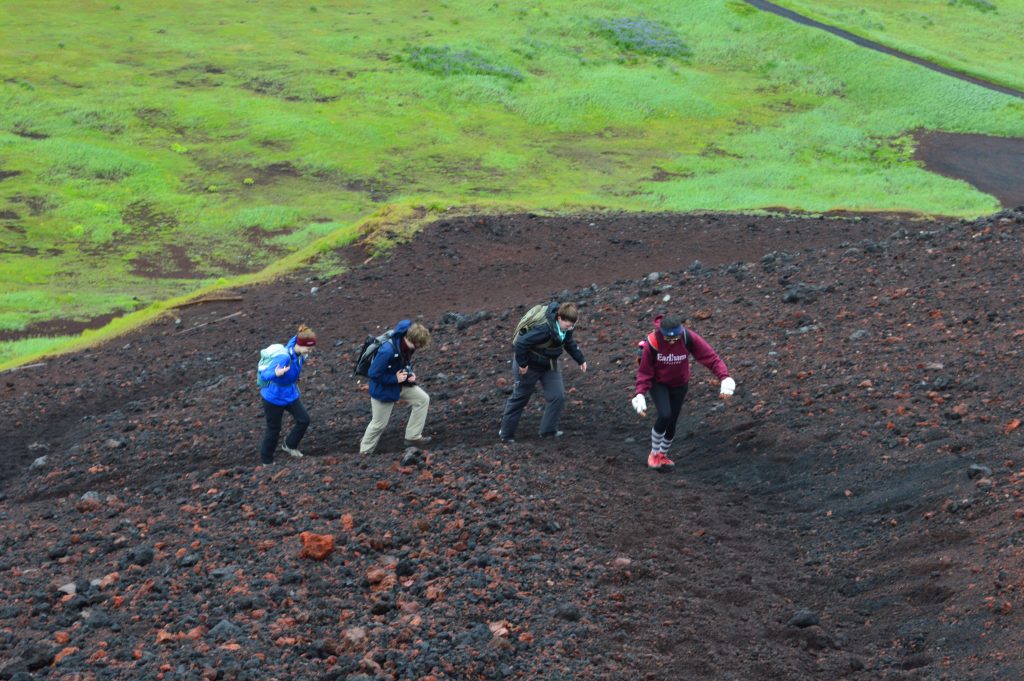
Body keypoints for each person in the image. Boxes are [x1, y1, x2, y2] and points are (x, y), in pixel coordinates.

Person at [632, 313, 735, 470]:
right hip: (658, 382)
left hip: (679, 383)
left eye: (675, 338)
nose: (673, 341)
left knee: (672, 421)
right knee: (664, 415)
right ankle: (653, 454)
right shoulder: (652, 343)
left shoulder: (687, 337)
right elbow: (645, 372)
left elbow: (710, 357)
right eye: (669, 338)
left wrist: (724, 377)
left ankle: (662, 455)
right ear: (661, 332)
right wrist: (640, 393)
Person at [499, 302, 588, 441]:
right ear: (559, 318)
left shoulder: (567, 328)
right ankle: (506, 434)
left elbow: (569, 343)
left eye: (572, 325)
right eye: (568, 325)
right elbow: (521, 343)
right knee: (520, 397)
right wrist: (522, 364)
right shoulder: (544, 329)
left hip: (549, 365)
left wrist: (580, 359)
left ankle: (548, 431)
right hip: (529, 366)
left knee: (557, 396)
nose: (570, 328)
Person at [359, 320, 432, 455]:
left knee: (422, 399)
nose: (419, 348)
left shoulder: (406, 346)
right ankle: (364, 452)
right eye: (419, 345)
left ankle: (412, 437)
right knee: (379, 424)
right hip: (383, 389)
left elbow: (403, 364)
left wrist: (410, 375)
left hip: (400, 384)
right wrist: (395, 379)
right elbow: (373, 374)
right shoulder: (387, 350)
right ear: (413, 340)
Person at [258, 324, 317, 465]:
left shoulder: (299, 349)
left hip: (290, 394)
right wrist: (276, 373)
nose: (310, 351)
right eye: (308, 348)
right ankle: (266, 461)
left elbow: (297, 338)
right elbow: (264, 374)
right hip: (273, 397)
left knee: (304, 420)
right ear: (299, 345)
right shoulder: (283, 358)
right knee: (274, 429)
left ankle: (289, 445)